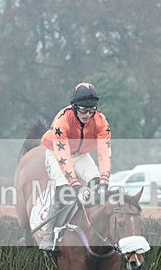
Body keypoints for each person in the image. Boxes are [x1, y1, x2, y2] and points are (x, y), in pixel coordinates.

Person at [39, 82, 112, 251]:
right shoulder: (62, 120)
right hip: (56, 152)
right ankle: (48, 233)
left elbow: (104, 152)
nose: (88, 114)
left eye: (92, 110)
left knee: (96, 184)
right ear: (74, 108)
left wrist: (105, 179)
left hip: (80, 154)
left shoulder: (101, 121)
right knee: (64, 189)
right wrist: (75, 184)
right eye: (83, 110)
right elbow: (63, 157)